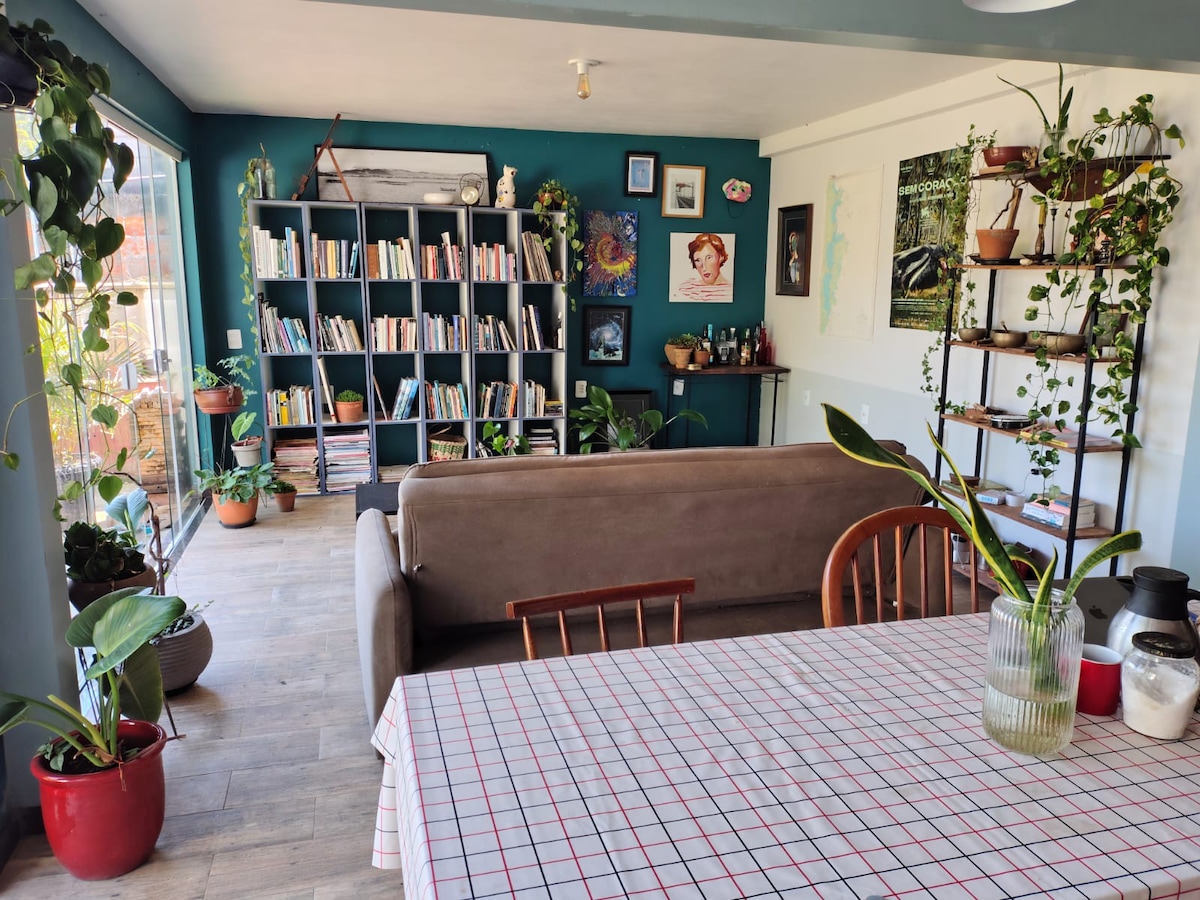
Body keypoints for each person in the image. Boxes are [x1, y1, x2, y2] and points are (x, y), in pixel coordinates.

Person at [676, 233, 733, 302]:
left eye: (709, 257)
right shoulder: (686, 288)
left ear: (721, 257)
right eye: (698, 260)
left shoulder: (730, 291)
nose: (704, 268)